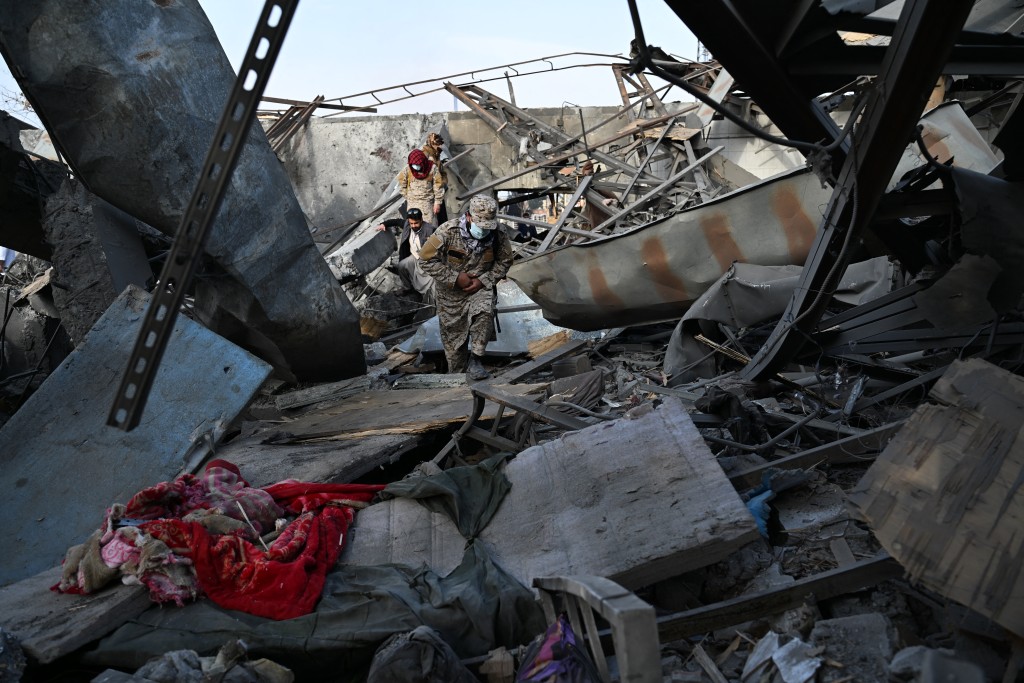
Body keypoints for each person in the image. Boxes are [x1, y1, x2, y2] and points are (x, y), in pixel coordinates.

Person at [419, 194, 513, 380]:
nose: (484, 230)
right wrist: (455, 277)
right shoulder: (447, 231)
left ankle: (476, 361)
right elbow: (425, 259)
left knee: (484, 313)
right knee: (454, 343)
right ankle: (457, 377)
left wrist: (484, 280)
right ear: (469, 217)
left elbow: (505, 261)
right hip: (450, 295)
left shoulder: (498, 234)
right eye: (481, 225)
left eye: (488, 226)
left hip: (479, 288)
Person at [375, 207, 436, 304]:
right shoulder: (407, 225)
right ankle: (407, 287)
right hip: (414, 256)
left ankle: (432, 298)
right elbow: (396, 221)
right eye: (411, 223)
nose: (413, 226)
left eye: (416, 223)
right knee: (402, 265)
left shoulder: (430, 230)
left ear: (421, 220)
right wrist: (384, 224)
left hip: (426, 259)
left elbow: (439, 246)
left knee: (430, 283)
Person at [396, 148, 444, 225]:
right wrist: (409, 197)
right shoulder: (408, 169)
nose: (416, 167)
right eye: (414, 165)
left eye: (418, 165)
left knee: (430, 226)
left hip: (427, 204)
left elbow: (438, 185)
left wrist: (437, 202)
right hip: (412, 203)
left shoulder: (432, 169)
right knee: (414, 225)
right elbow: (402, 184)